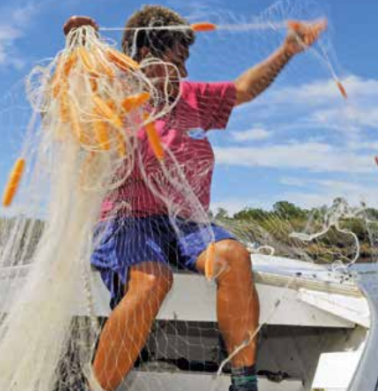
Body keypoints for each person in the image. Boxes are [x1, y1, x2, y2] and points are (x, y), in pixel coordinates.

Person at [63, 6, 325, 391]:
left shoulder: (191, 97)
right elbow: (79, 90)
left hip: (187, 224)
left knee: (233, 257)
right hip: (126, 218)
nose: (184, 71)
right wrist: (78, 43)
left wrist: (287, 51)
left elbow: (243, 89)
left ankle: (244, 383)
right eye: (177, 58)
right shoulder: (112, 89)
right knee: (152, 281)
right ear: (145, 52)